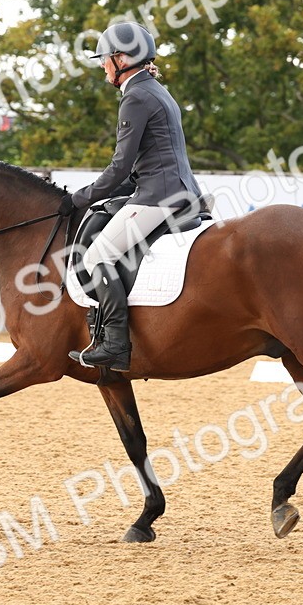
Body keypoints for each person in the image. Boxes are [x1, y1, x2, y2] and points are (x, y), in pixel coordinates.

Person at [59, 22, 204, 371]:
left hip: (159, 197)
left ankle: (115, 344)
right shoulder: (157, 90)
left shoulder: (136, 97)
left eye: (106, 59)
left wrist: (78, 199)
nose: (102, 66)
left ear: (122, 58)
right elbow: (147, 160)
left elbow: (120, 167)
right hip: (179, 190)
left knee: (95, 258)